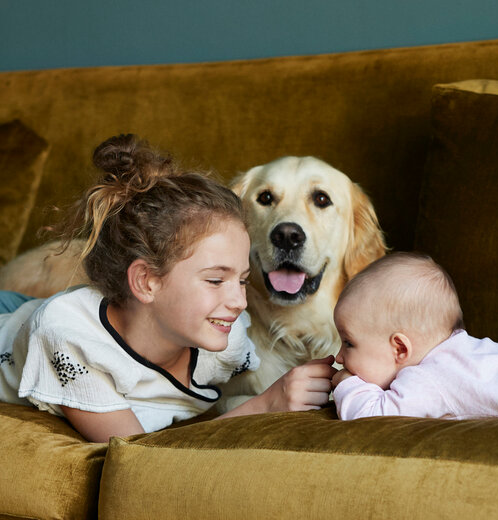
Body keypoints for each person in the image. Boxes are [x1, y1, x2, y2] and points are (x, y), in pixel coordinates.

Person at [0, 134, 336, 442]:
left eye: (243, 280)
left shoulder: (224, 340)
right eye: (216, 280)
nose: (238, 301)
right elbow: (133, 457)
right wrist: (266, 404)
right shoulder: (71, 342)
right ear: (147, 281)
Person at [331, 251, 498, 421]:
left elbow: (373, 417)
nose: (340, 357)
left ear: (400, 348)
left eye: (349, 342)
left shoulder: (428, 377)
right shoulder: (462, 354)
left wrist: (344, 382)